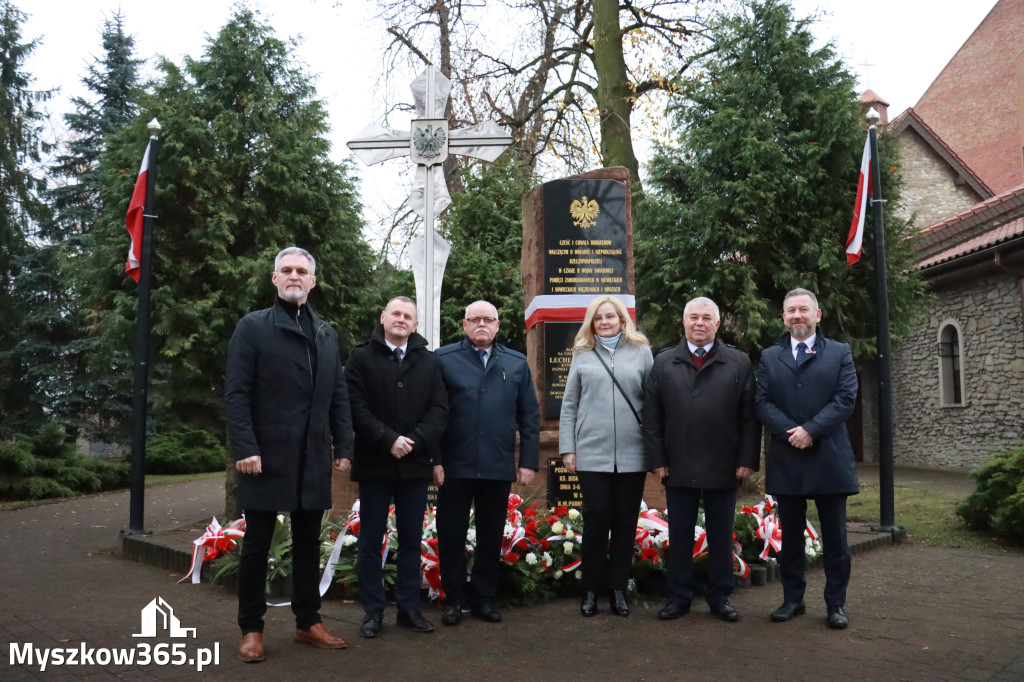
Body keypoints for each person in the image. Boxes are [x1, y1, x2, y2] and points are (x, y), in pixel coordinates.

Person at [225, 246, 352, 662]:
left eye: (302, 271)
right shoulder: (253, 327)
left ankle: (307, 622)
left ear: (312, 282)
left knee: (306, 542)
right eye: (287, 270)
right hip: (265, 456)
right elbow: (237, 393)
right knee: (258, 544)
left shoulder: (326, 333)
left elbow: (338, 393)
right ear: (275, 279)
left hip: (312, 455)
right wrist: (245, 447)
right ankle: (251, 628)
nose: (294, 276)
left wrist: (343, 445)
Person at [643, 296, 759, 622]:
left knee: (721, 535)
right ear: (684, 322)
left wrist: (746, 459)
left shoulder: (738, 362)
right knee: (679, 535)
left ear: (717, 324)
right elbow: (652, 417)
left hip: (724, 464)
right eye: (693, 317)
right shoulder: (663, 362)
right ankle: (678, 597)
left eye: (706, 318)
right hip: (677, 463)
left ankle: (720, 597)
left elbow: (750, 418)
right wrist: (658, 459)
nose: (699, 323)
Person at [342, 296, 448, 638]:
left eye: (408, 316)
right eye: (396, 314)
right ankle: (372, 611)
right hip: (375, 463)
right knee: (371, 540)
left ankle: (408, 608)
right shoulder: (360, 357)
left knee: (411, 541)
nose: (401, 320)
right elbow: (355, 407)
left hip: (415, 465)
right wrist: (388, 439)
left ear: (415, 325)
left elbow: (439, 410)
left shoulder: (430, 362)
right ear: (383, 318)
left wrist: (414, 439)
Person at [754, 288, 859, 630]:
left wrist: (811, 430)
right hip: (788, 457)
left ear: (818, 315)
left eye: (803, 310)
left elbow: (845, 399)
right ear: (783, 317)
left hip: (828, 457)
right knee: (791, 537)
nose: (797, 316)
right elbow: (762, 402)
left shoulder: (839, 353)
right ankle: (792, 600)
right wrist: (791, 431)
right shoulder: (770, 357)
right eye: (790, 311)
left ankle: (835, 604)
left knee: (836, 540)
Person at [435, 300, 540, 626]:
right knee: (451, 534)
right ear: (464, 324)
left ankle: (483, 598)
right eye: (475, 319)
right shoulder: (443, 359)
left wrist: (528, 462)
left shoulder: (517, 363)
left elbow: (530, 417)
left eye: (488, 319)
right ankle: (453, 599)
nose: (482, 324)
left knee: (491, 535)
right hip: (455, 464)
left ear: (497, 325)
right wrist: (434, 460)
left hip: (497, 464)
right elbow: (433, 414)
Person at [558, 295, 653, 618]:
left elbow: (652, 402)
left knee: (625, 523)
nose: (605, 322)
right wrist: (568, 447)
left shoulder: (641, 351)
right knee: (596, 521)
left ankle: (617, 589)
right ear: (591, 323)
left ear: (622, 320)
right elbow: (570, 404)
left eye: (610, 317)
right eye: (598, 318)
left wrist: (655, 448)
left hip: (632, 452)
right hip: (592, 453)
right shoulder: (583, 354)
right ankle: (591, 590)